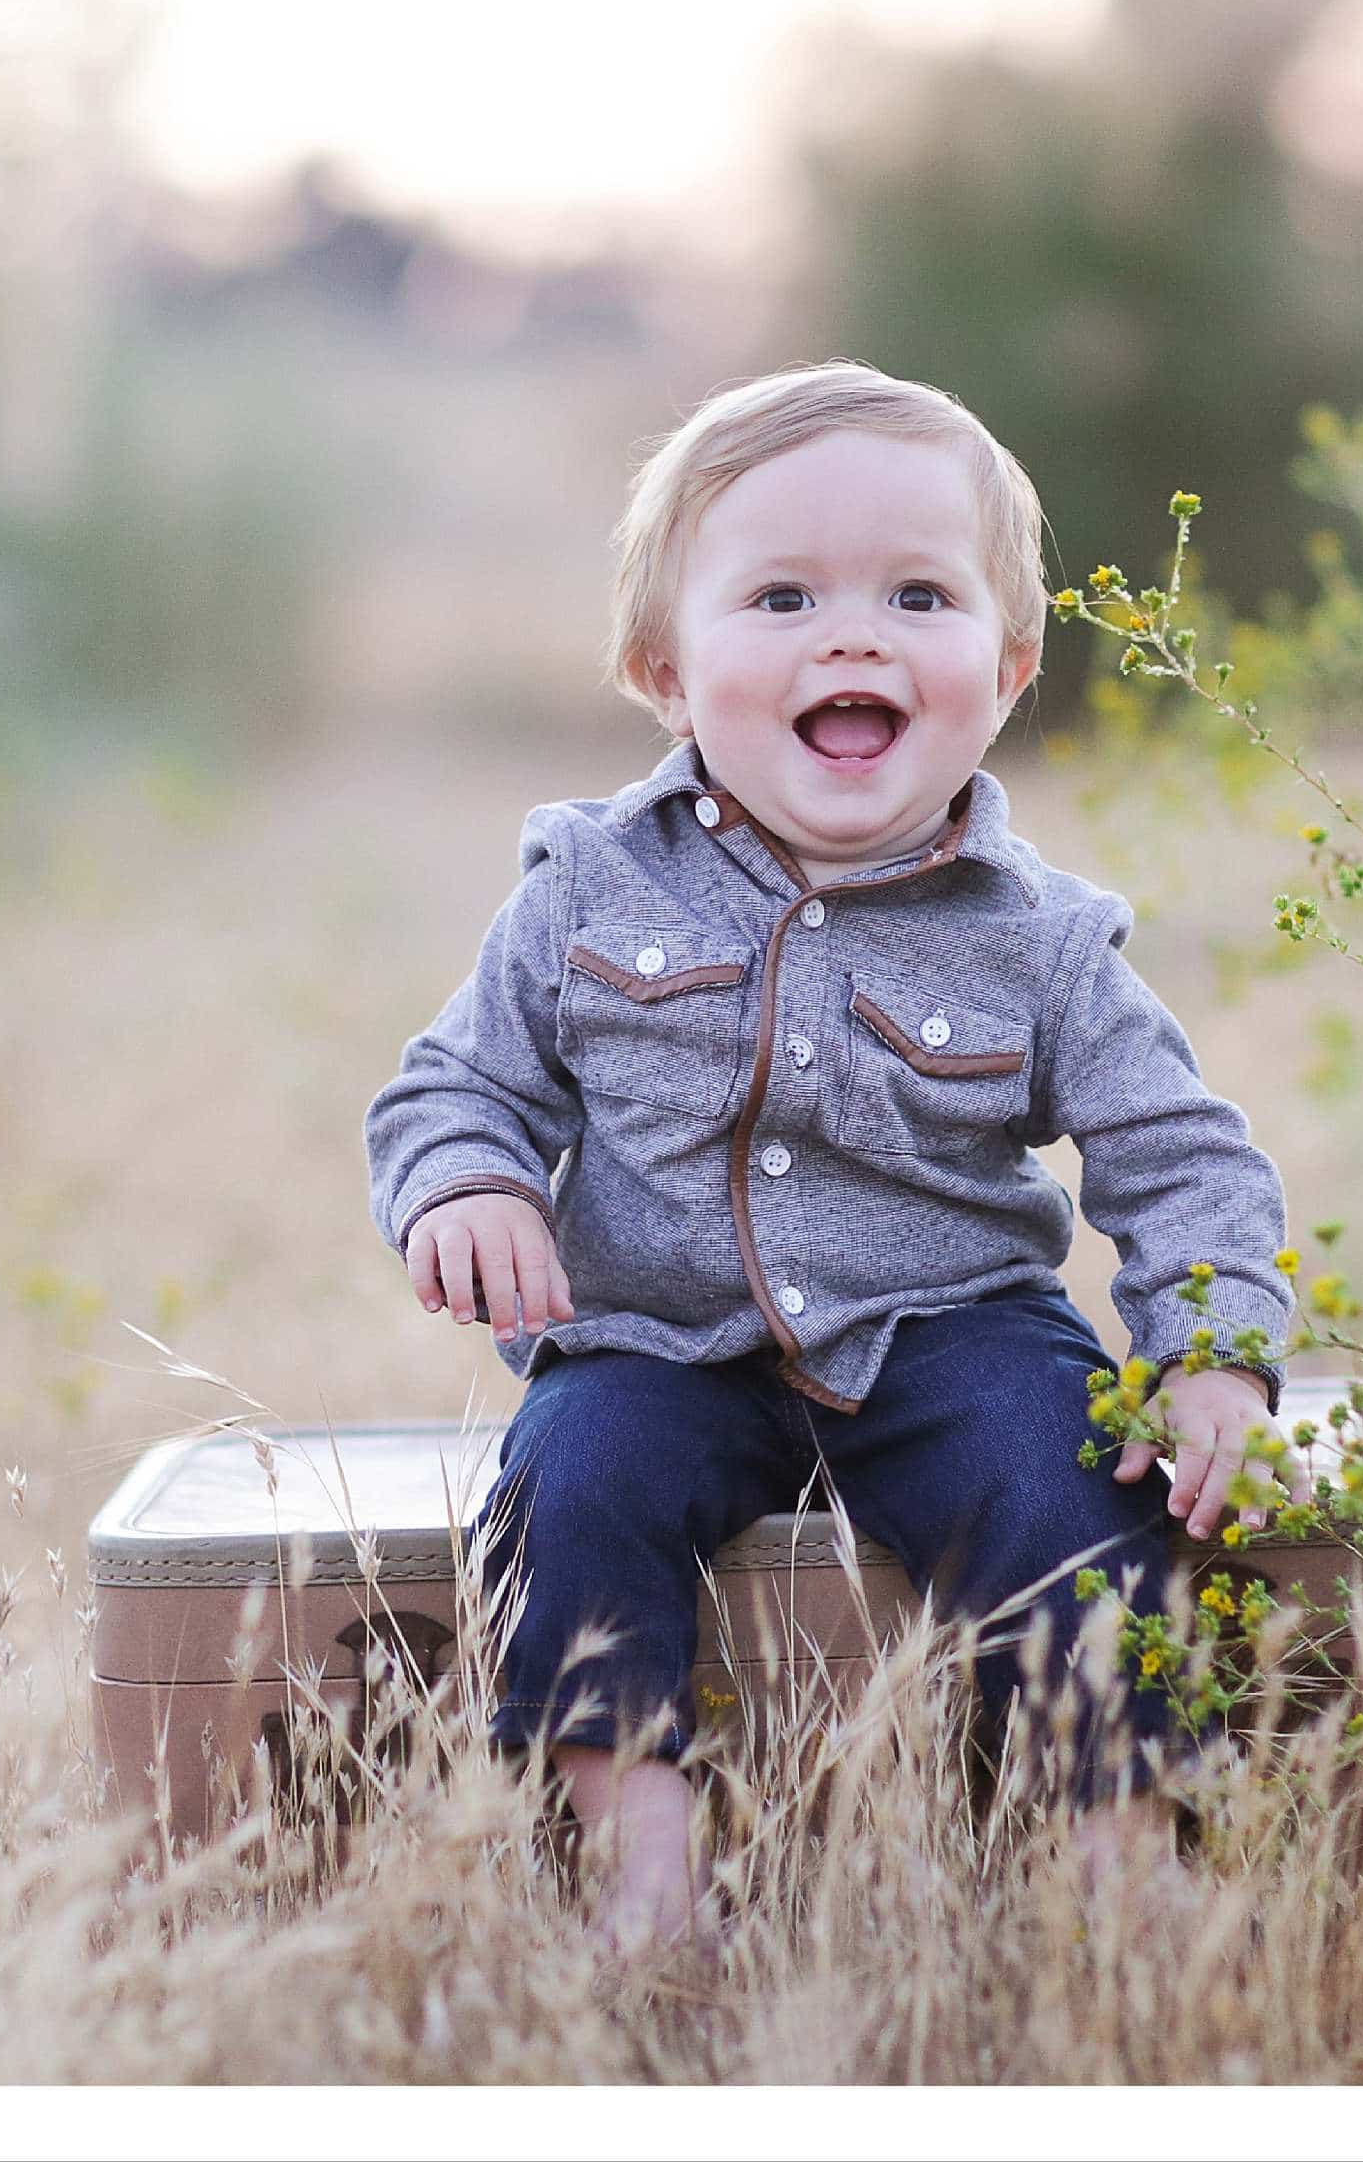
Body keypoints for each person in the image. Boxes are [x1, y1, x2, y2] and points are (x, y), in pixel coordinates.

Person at [363, 360, 1297, 1955]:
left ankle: (1112, 1851)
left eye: (917, 596)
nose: (850, 636)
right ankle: (639, 1858)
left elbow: (1177, 1153)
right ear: (666, 669)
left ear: (1006, 669)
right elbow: (454, 1084)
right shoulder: (587, 887)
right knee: (569, 1487)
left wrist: (1214, 1350)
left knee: (1071, 1490)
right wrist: (469, 1181)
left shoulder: (1046, 941)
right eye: (782, 595)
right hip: (654, 1336)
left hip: (956, 1327)